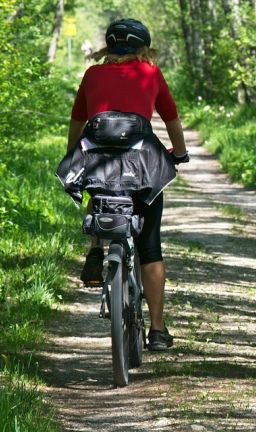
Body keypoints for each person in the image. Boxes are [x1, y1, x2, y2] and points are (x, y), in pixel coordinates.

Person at [64, 19, 190, 351]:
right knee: (150, 247)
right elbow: (171, 117)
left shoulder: (92, 74)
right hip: (142, 162)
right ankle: (158, 330)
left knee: (98, 185)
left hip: (97, 157)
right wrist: (180, 154)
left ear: (109, 47)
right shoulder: (150, 72)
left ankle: (95, 248)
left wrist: (72, 155)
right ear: (142, 48)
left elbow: (78, 121)